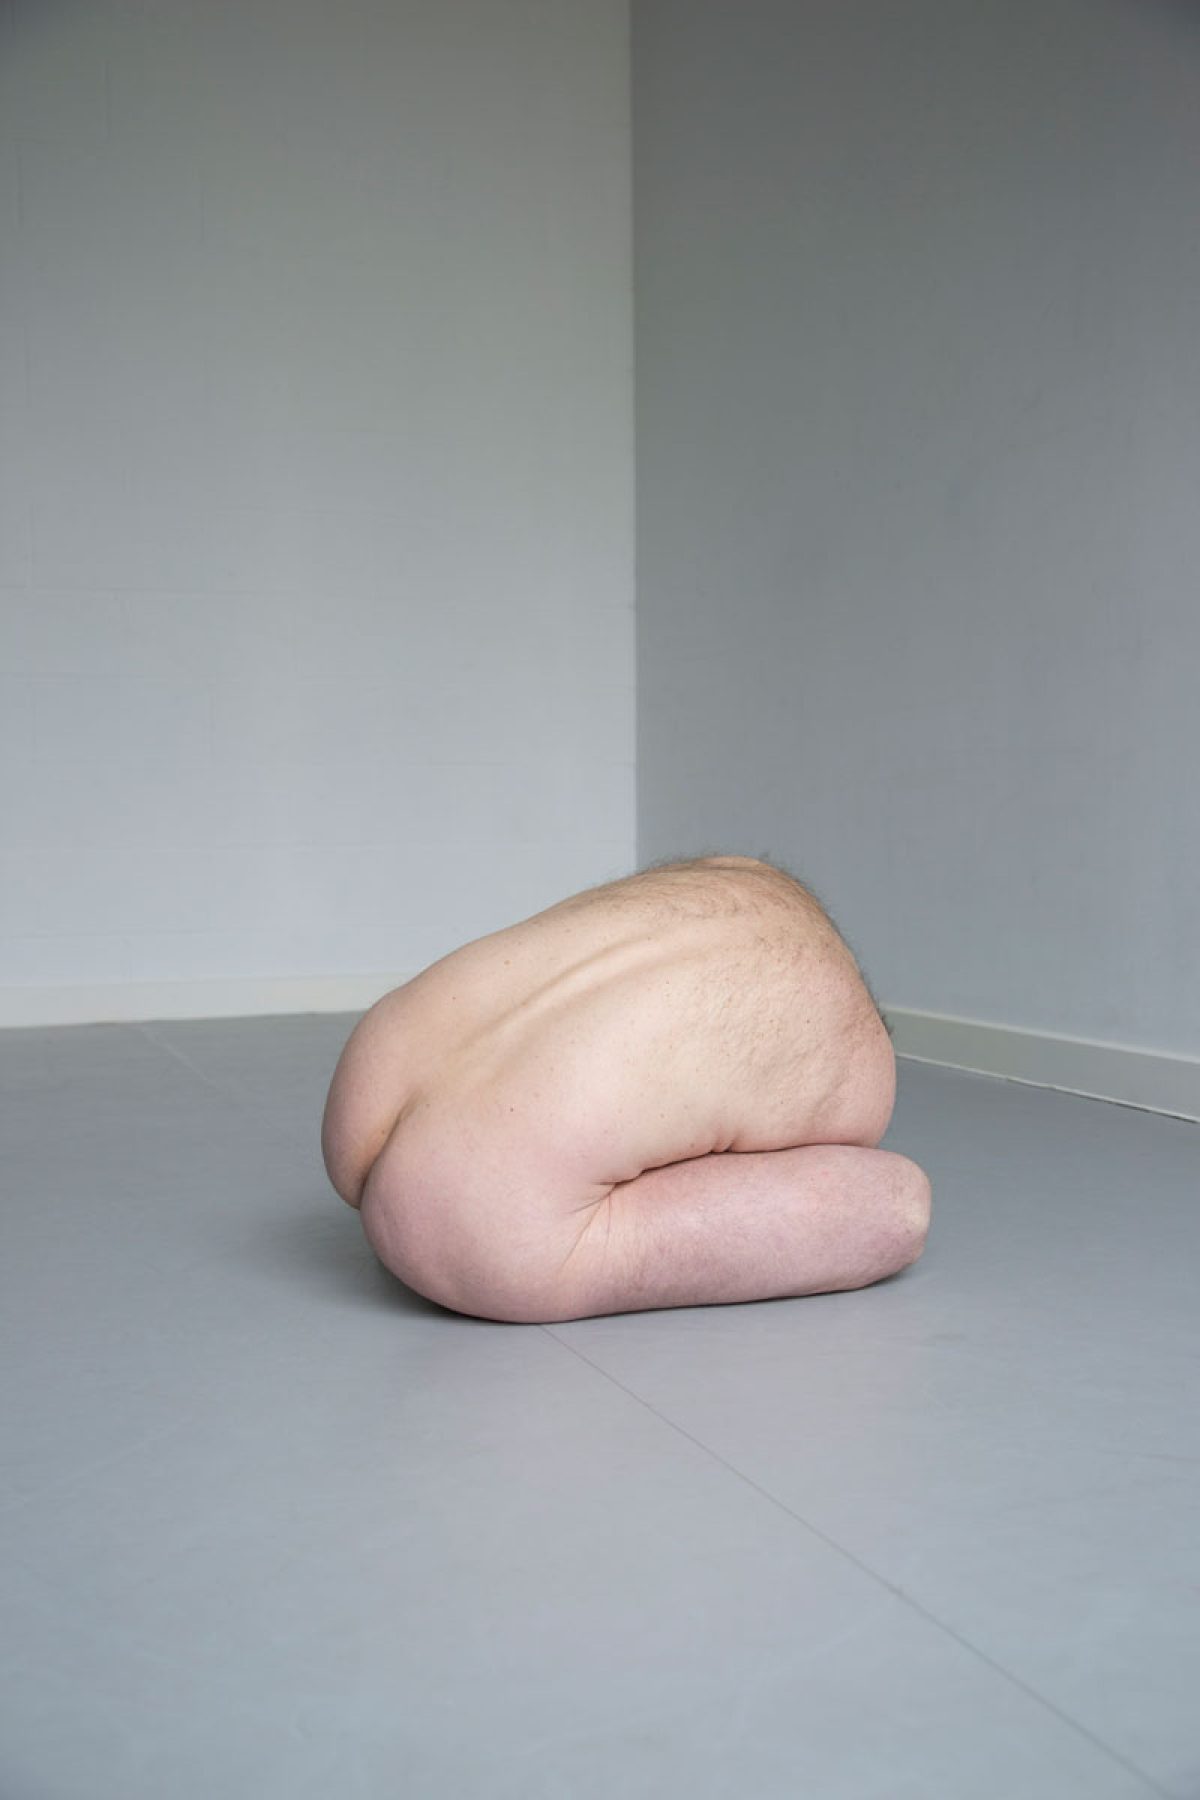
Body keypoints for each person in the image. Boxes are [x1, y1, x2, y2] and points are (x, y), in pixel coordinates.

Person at [321, 854, 931, 1323]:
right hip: (476, 1219)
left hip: (377, 1060)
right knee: (901, 1205)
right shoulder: (865, 1070)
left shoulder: (753, 876)